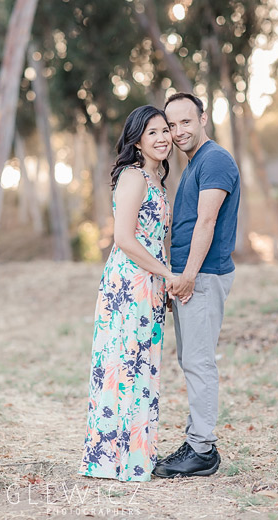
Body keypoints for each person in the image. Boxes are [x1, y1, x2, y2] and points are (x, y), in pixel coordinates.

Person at [80, 106, 173, 481]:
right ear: (137, 140)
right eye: (152, 132)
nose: (163, 137)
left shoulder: (156, 179)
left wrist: (161, 280)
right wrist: (166, 273)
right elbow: (123, 238)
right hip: (129, 282)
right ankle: (112, 459)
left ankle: (136, 455)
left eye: (165, 130)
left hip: (149, 281)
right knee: (124, 365)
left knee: (141, 366)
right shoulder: (134, 177)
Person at [152, 92, 240, 478]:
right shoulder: (193, 165)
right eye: (171, 125)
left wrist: (187, 275)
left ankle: (202, 450)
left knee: (199, 362)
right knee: (190, 360)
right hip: (191, 275)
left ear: (202, 118)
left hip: (202, 276)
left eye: (185, 122)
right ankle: (196, 442)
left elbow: (206, 222)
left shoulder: (215, 160)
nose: (177, 131)